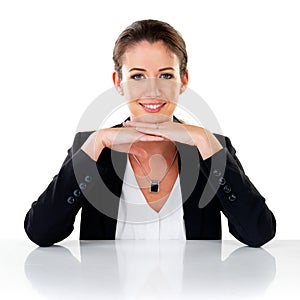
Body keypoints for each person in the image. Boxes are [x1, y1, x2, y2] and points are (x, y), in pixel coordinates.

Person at [24, 19, 276, 247]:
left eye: (166, 75)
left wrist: (204, 140)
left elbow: (258, 233)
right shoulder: (92, 147)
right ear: (118, 83)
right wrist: (97, 143)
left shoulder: (210, 147)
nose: (153, 90)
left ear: (183, 80)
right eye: (137, 76)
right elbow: (41, 232)